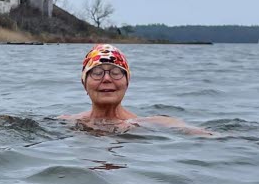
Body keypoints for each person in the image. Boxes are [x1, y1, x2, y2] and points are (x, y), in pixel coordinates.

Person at [64, 44, 211, 135]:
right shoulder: (67, 122)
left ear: (127, 82)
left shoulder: (150, 124)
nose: (107, 79)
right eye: (97, 73)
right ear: (84, 83)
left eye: (116, 72)